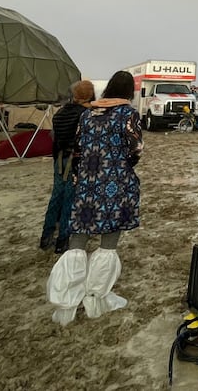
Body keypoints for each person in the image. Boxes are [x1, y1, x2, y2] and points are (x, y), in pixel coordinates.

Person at [47, 70, 143, 325]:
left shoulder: (88, 113)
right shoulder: (128, 114)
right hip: (115, 182)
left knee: (78, 239)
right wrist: (118, 164)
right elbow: (136, 149)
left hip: (87, 181)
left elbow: (77, 149)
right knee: (108, 241)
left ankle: (66, 301)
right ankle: (96, 298)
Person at [40, 80, 95, 254]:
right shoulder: (87, 115)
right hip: (76, 160)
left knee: (56, 196)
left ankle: (46, 236)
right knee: (70, 200)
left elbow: (55, 139)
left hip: (60, 158)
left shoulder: (61, 113)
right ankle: (63, 239)